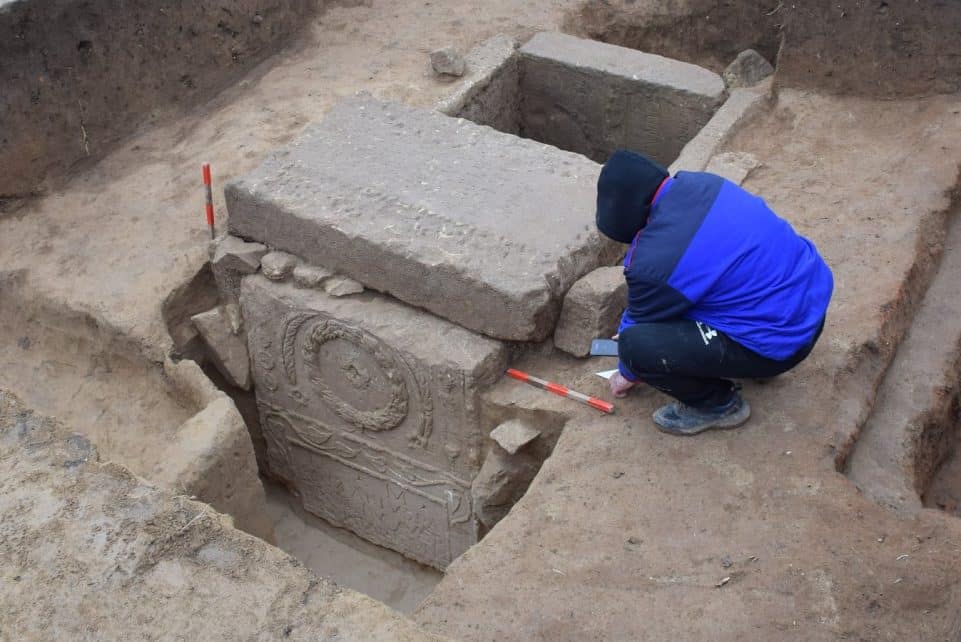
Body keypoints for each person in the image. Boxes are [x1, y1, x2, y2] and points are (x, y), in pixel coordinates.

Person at [596, 150, 833, 436]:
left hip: (781, 343)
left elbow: (639, 322)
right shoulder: (703, 183)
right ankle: (752, 354)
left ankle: (717, 405)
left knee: (636, 347)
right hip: (811, 306)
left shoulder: (654, 260)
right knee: (700, 291)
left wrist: (628, 371)